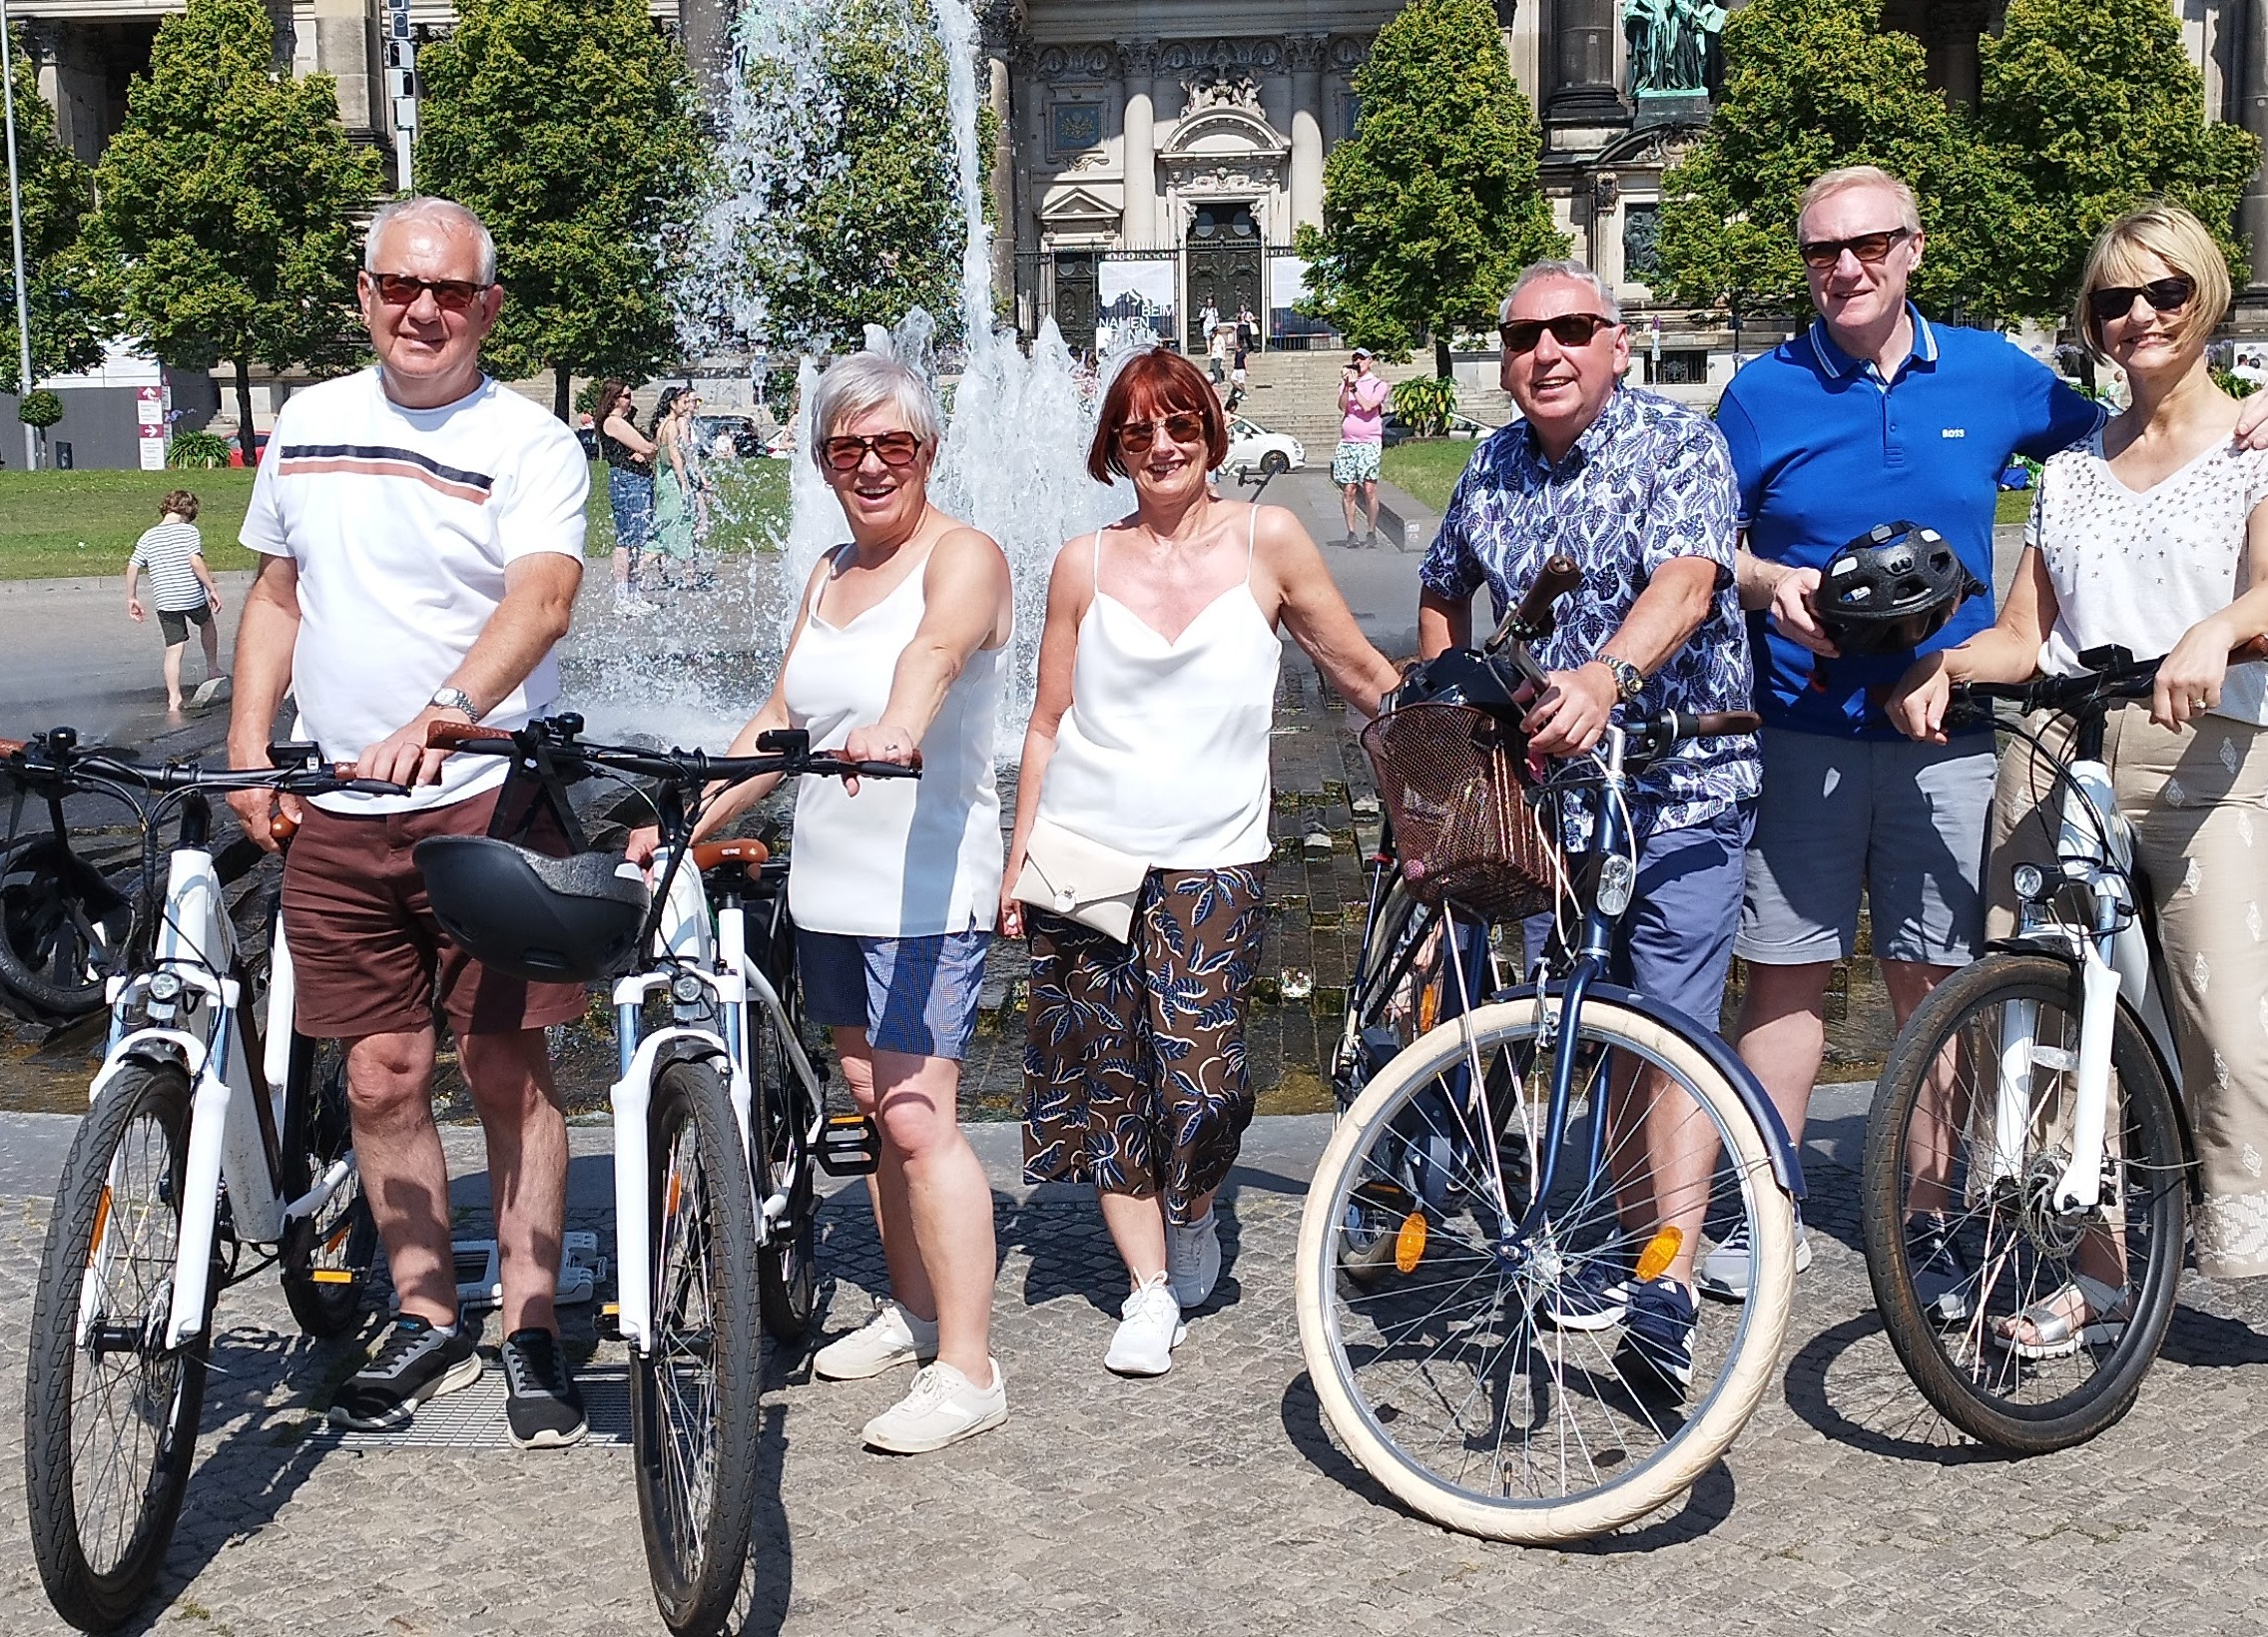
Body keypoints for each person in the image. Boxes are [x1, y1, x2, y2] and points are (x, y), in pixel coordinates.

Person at [1709, 164, 2268, 1304]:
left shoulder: (2005, 377)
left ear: (1912, 248)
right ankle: (1786, 1215)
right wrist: (1779, 586)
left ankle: (1940, 1215)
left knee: (1969, 986)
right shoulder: (1768, 392)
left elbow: (2208, 484)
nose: (1846, 268)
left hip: (2016, 742)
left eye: (1870, 245)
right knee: (1844, 985)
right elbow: (1709, 538)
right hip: (1864, 726)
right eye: (1823, 251)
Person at [1888, 204, 2268, 1345]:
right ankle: (2098, 1278)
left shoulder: (2262, 443)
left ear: (2207, 297)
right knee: (2040, 1016)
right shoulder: (2073, 470)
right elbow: (2024, 636)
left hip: (2199, 755)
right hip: (2058, 751)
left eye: (2164, 292)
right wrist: (1945, 663)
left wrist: (2215, 631)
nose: (2140, 315)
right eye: (2114, 299)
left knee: (2237, 1032)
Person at [224, 197, 592, 1445]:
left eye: (450, 291)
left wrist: (449, 712)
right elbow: (278, 593)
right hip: (338, 804)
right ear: (365, 293)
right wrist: (247, 746)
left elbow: (543, 600)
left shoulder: (528, 440)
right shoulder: (309, 422)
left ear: (488, 306)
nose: (422, 310)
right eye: (399, 286)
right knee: (380, 1073)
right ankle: (429, 1313)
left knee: (503, 1067)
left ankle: (530, 1324)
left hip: (485, 798)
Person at [631, 351, 1015, 1454]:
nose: (872, 466)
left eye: (894, 444)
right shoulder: (829, 571)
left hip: (926, 888)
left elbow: (935, 654)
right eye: (849, 447)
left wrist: (897, 727)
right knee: (871, 1101)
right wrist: (690, 816)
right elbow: (779, 720)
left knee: (919, 1115)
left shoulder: (965, 556)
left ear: (929, 452)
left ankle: (969, 1369)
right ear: (822, 459)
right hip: (834, 887)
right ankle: (917, 1313)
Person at [1005, 346, 1397, 1377]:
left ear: (1210, 433)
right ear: (1113, 447)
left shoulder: (1269, 540)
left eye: (1179, 425)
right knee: (1110, 1077)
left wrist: (1446, 733)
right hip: (1084, 856)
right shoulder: (1083, 563)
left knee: (1203, 1080)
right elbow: (1046, 723)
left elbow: (1354, 668)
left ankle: (1192, 1210)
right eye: (1137, 431)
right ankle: (1145, 1289)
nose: (1161, 447)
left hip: (1213, 859)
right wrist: (1017, 862)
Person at [1418, 260, 1759, 1390]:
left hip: (1685, 780)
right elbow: (1442, 586)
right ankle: (1614, 1241)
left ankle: (1668, 1283)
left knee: (1670, 1028)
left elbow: (1689, 585)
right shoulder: (1490, 466)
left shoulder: (1678, 444)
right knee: (1583, 1021)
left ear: (1617, 343)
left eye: (1570, 329)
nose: (1546, 353)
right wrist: (1452, 713)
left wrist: (1607, 678)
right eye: (1523, 336)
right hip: (1552, 805)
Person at [126, 487, 224, 714]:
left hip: (166, 601)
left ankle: (174, 698)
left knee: (174, 648)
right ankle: (212, 668)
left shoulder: (148, 536)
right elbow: (195, 562)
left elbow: (133, 566)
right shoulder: (189, 532)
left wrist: (132, 597)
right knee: (207, 623)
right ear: (189, 512)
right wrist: (211, 588)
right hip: (191, 595)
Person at [591, 377, 657, 612]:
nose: (631, 400)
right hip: (627, 479)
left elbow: (649, 448)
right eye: (626, 396)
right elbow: (649, 447)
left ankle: (634, 593)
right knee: (626, 540)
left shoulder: (623, 422)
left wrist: (647, 451)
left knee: (638, 539)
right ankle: (622, 597)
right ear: (614, 399)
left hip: (636, 478)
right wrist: (647, 451)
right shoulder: (613, 422)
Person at [650, 384, 707, 589]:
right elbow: (676, 455)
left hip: (664, 478)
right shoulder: (673, 425)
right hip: (672, 480)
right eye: (684, 401)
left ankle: (646, 570)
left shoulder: (663, 424)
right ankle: (687, 574)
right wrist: (684, 482)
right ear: (673, 404)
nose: (688, 405)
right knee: (680, 523)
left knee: (669, 524)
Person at [1334, 345, 1387, 547]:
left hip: (1369, 442)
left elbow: (1367, 406)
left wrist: (1355, 388)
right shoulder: (1347, 384)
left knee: (1369, 488)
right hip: (1348, 442)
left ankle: (1371, 531)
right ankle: (1351, 532)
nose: (1358, 362)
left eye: (1362, 359)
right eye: (1355, 359)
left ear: (1370, 361)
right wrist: (1348, 386)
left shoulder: (1378, 384)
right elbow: (1342, 407)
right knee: (1349, 489)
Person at [1230, 307, 1256, 411]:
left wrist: (1246, 370)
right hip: (1236, 368)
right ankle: (1238, 389)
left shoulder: (1242, 353)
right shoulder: (1236, 353)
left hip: (1241, 369)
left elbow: (1245, 360)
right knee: (1232, 379)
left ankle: (1243, 392)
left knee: (1242, 382)